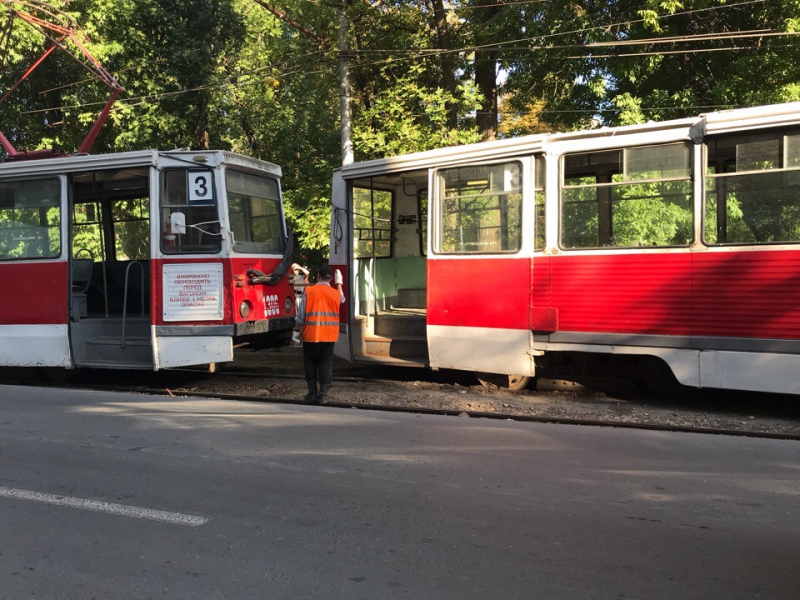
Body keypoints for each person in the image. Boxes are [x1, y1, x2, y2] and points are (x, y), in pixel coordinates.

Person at [295, 265, 345, 404]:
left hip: (311, 335)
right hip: (329, 336)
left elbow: (300, 317)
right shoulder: (335, 293)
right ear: (331, 279)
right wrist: (339, 283)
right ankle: (323, 395)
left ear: (318, 276)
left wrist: (296, 331)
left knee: (310, 365)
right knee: (326, 364)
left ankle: (312, 394)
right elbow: (342, 298)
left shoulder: (309, 292)